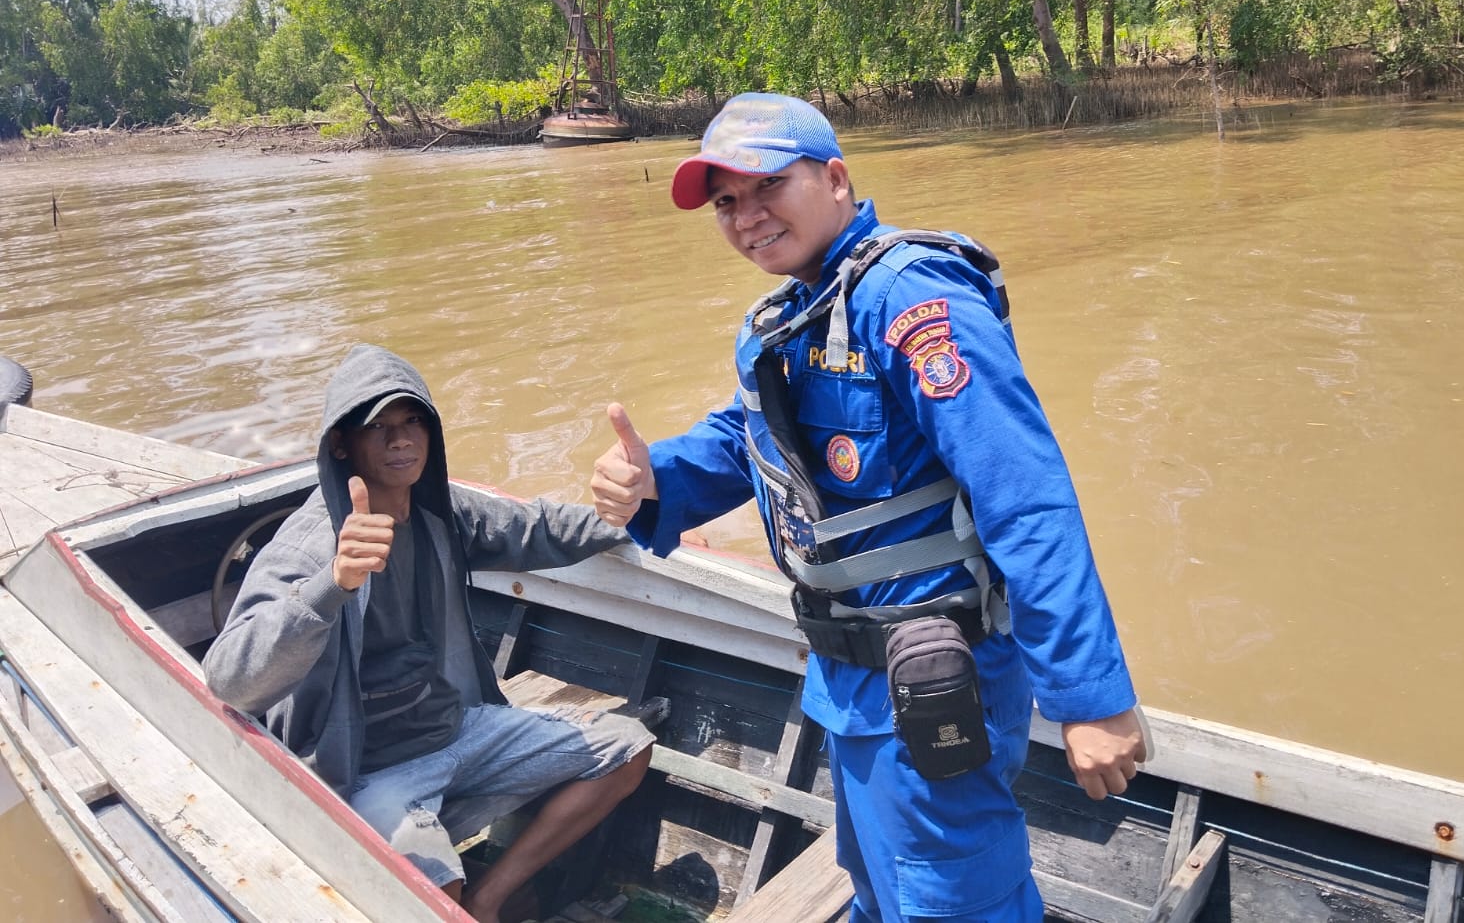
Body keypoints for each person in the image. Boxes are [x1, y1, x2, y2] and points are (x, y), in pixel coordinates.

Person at [592, 93, 1144, 923]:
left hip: (935, 678)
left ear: (836, 178)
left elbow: (1025, 496)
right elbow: (753, 442)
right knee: (879, 890)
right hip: (849, 683)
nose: (747, 217)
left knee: (953, 902)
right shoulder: (792, 318)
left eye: (767, 185)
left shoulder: (913, 298)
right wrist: (654, 479)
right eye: (726, 203)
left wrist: (1089, 698)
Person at [205, 343, 656, 923]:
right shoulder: (309, 543)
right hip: (368, 766)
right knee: (439, 905)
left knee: (627, 749)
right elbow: (231, 678)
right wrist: (332, 584)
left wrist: (627, 512)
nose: (402, 440)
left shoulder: (440, 510)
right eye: (380, 427)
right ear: (341, 444)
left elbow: (532, 531)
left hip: (455, 729)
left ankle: (492, 900)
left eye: (413, 421)